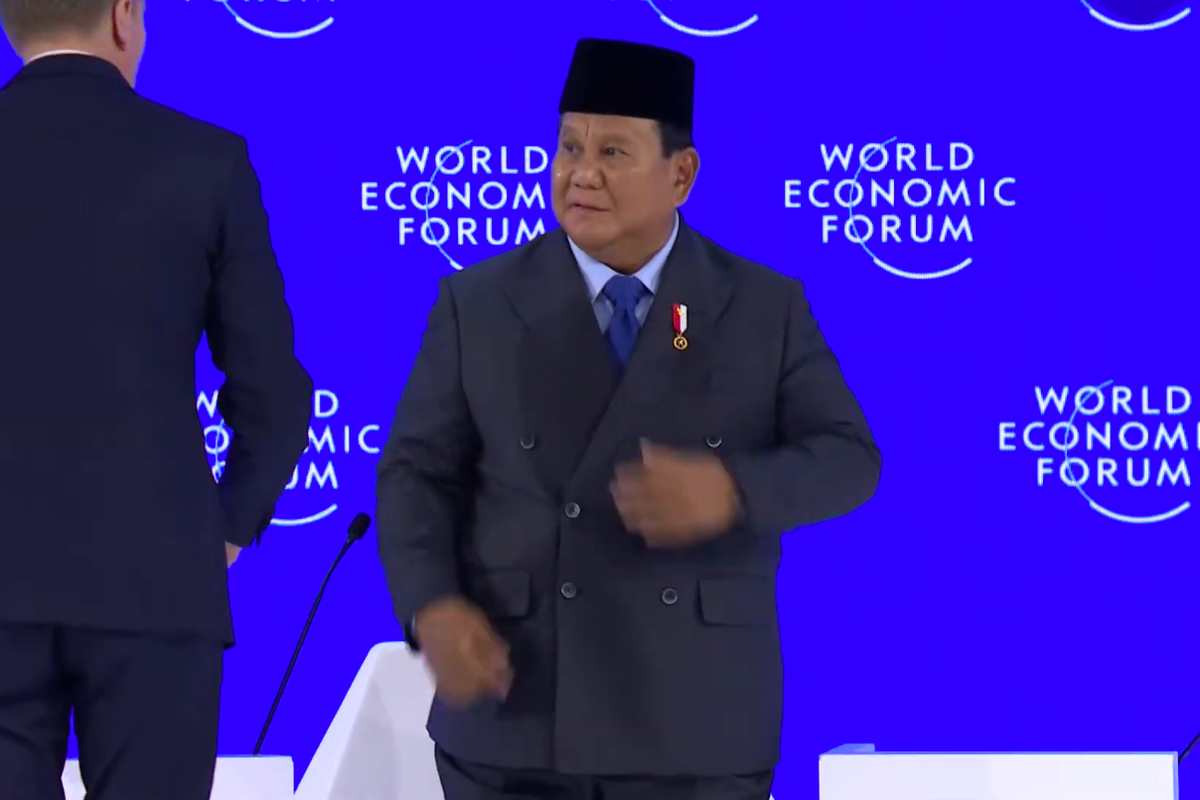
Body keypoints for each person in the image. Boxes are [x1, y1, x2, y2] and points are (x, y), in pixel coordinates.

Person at [376, 37, 881, 800]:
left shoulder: (762, 306)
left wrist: (733, 489)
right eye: (569, 147)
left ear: (682, 175)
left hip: (697, 724)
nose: (581, 173)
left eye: (612, 152)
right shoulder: (476, 303)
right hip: (518, 715)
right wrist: (432, 604)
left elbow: (850, 459)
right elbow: (416, 474)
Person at [0, 1, 313, 798]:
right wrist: (224, 528)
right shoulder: (205, 161)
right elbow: (275, 394)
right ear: (123, 15)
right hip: (156, 582)